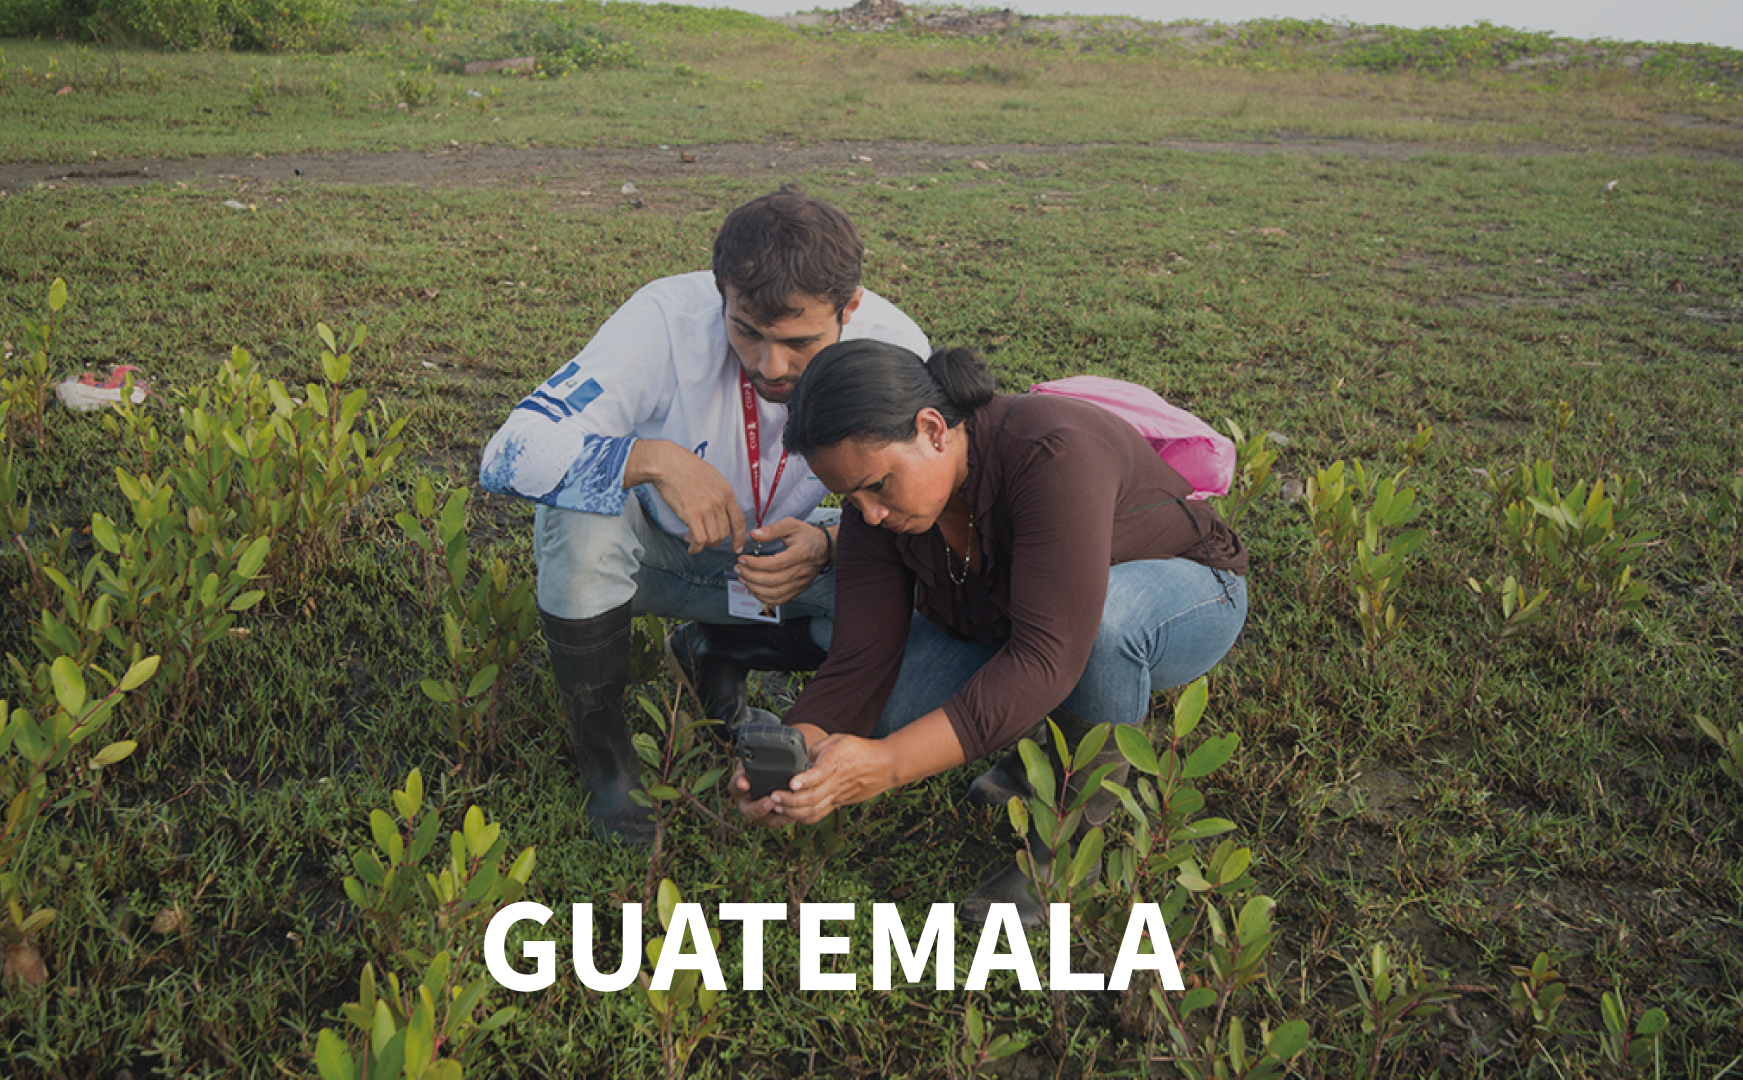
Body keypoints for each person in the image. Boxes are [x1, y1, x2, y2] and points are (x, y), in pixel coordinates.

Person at [734, 341, 1248, 925]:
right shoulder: (874, 509)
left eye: (877, 485)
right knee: (896, 708)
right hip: (1025, 621)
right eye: (849, 495)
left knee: (1103, 627)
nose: (869, 512)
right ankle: (1041, 752)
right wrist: (795, 755)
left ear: (932, 430)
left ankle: (1067, 847)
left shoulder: (1053, 451)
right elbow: (859, 661)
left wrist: (888, 765)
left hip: (1186, 594)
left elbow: (1046, 658)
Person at [480, 188, 929, 847]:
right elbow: (507, 452)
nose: (771, 365)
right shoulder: (664, 317)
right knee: (578, 517)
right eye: (745, 331)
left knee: (912, 590)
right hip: (657, 553)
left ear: (850, 308)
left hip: (781, 562)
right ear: (720, 294)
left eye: (799, 342)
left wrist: (830, 541)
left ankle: (713, 651)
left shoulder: (896, 348)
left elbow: (921, 500)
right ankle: (608, 765)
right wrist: (649, 458)